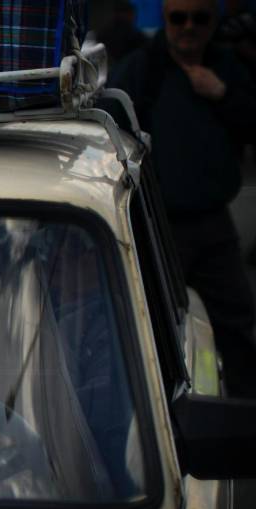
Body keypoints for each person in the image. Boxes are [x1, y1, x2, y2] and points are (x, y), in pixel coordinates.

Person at [110, 0, 256, 397]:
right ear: (166, 20)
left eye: (200, 18)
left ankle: (244, 427)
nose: (188, 27)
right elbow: (110, 124)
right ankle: (156, 416)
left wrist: (222, 92)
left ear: (214, 22)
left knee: (240, 326)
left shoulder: (228, 67)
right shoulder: (143, 68)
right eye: (178, 17)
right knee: (147, 327)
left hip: (213, 224)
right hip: (159, 226)